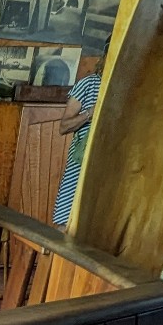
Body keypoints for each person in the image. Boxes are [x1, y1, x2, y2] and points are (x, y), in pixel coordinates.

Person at [52, 48, 106, 227]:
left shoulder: (126, 88)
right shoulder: (89, 84)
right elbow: (64, 126)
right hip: (81, 162)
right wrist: (90, 113)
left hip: (109, 165)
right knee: (65, 221)